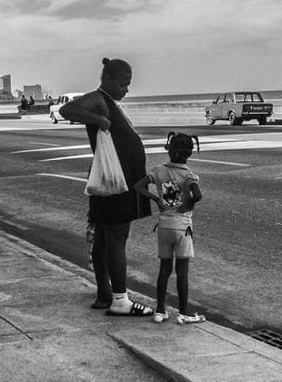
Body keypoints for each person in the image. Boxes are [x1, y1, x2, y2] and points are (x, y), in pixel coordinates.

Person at [60, 57, 153, 317]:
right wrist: (99, 120)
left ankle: (104, 294)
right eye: (124, 84)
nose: (126, 89)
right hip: (115, 183)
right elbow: (66, 111)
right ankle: (120, 300)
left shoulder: (109, 101)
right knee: (116, 238)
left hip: (116, 181)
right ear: (109, 80)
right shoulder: (99, 98)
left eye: (128, 84)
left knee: (103, 239)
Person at [134, 132, 206, 325]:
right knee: (182, 271)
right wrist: (187, 204)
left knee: (164, 269)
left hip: (164, 226)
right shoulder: (189, 175)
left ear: (169, 150)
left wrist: (157, 199)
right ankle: (183, 312)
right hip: (182, 227)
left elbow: (138, 186)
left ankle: (160, 310)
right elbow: (197, 195)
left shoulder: (158, 171)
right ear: (189, 154)